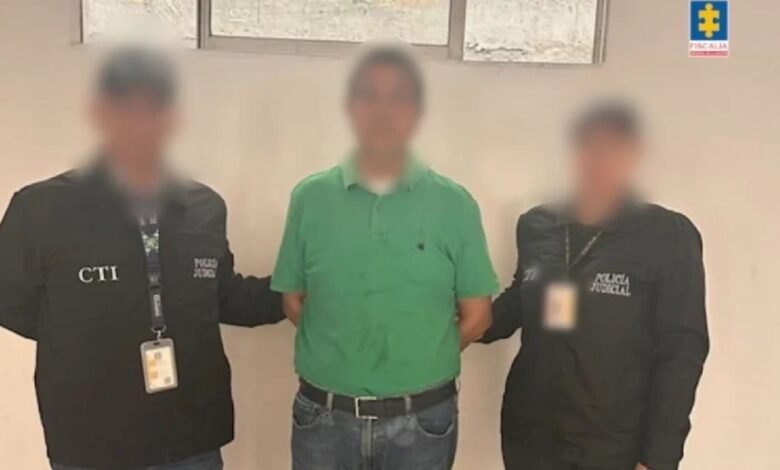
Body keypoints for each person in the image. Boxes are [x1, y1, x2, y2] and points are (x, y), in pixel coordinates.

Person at [0, 47, 284, 470]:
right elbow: (10, 302)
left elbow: (221, 295)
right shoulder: (41, 208)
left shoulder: (204, 206)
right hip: (92, 444)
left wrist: (289, 295)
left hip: (191, 440)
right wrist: (84, 338)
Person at [272, 45, 499, 470]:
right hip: (323, 420)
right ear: (350, 108)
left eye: (399, 97)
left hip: (423, 424)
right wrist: (347, 353)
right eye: (369, 95)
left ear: (417, 112)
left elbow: (478, 316)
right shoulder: (309, 198)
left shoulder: (455, 204)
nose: (383, 111)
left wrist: (416, 357)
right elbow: (293, 299)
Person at [481, 101, 709, 470]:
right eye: (588, 146)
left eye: (611, 148)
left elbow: (682, 352)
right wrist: (458, 317)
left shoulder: (668, 236)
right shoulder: (537, 225)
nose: (597, 160)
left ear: (633, 157)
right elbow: (519, 302)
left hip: (612, 447)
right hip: (530, 437)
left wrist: (658, 458)